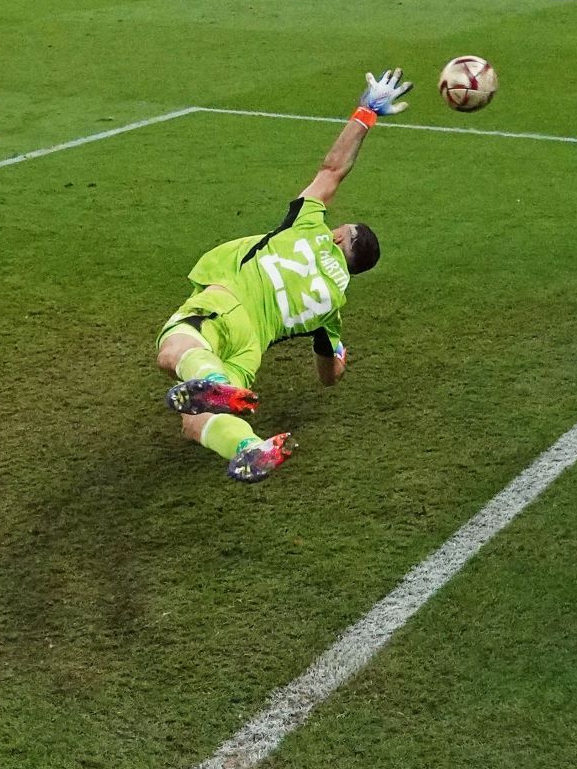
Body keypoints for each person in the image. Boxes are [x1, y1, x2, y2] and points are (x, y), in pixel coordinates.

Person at [154, 70, 409, 481]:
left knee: (172, 348)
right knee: (193, 422)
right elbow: (330, 377)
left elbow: (332, 170)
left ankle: (214, 380)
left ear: (341, 235)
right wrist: (339, 357)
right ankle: (249, 446)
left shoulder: (308, 228)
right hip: (252, 346)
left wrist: (366, 113)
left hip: (227, 302)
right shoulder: (333, 307)